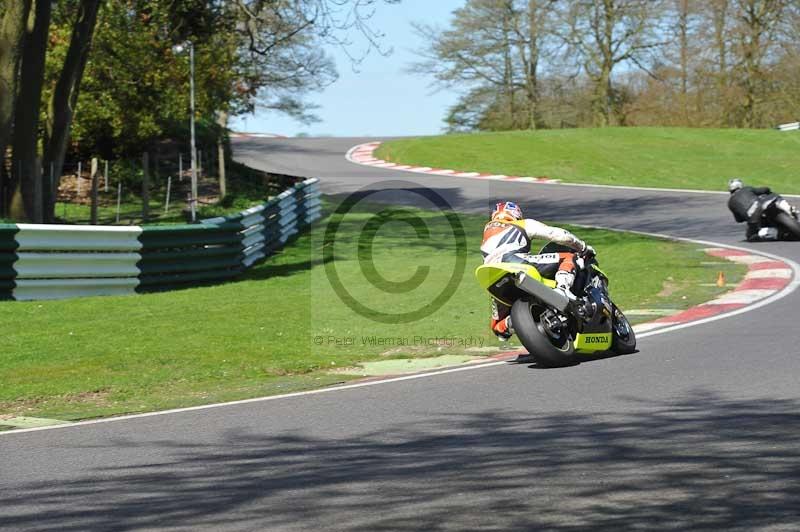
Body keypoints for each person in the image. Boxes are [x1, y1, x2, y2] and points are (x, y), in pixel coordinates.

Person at [482, 201, 594, 340]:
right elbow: (558, 235)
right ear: (516, 214)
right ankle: (562, 289)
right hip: (514, 262)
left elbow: (501, 337)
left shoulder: (486, 233)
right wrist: (582, 246)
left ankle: (512, 322)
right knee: (569, 257)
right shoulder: (521, 224)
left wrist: (519, 321)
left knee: (498, 328)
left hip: (491, 275)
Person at [727, 178, 797, 241]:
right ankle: (790, 210)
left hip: (753, 217)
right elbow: (764, 189)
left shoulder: (730, 203)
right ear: (740, 185)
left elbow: (739, 220)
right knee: (773, 196)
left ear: (730, 189)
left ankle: (779, 234)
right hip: (762, 206)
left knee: (751, 236)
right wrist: (767, 190)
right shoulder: (747, 188)